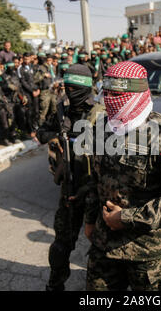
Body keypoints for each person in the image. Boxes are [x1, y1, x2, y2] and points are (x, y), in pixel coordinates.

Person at [84, 61, 161, 291]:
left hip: (147, 253)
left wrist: (125, 218)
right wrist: (90, 219)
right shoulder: (102, 128)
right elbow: (95, 180)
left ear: (135, 95)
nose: (110, 100)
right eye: (108, 93)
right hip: (104, 247)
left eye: (117, 95)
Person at [37, 64, 104, 291]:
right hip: (70, 190)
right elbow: (41, 133)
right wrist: (58, 137)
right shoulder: (62, 111)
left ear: (85, 88)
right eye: (67, 87)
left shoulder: (101, 114)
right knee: (61, 246)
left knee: (100, 249)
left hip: (97, 191)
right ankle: (55, 286)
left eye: (74, 88)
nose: (70, 92)